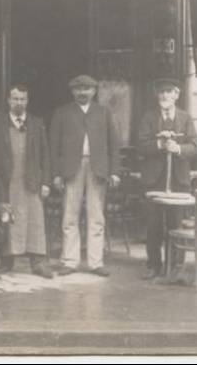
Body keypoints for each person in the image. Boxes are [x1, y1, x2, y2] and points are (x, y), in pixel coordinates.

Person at [50, 75, 121, 277]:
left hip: (98, 168)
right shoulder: (62, 113)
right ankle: (70, 261)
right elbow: (54, 146)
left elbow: (114, 145)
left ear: (94, 91)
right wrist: (56, 174)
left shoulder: (104, 112)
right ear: (72, 92)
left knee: (96, 215)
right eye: (78, 89)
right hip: (71, 168)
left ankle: (95, 262)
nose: (82, 93)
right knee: (69, 215)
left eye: (87, 89)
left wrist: (114, 171)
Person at [135, 78, 197, 281]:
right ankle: (153, 265)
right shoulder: (148, 117)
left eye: (169, 91)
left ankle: (176, 267)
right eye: (161, 92)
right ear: (157, 95)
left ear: (176, 95)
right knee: (153, 225)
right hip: (154, 181)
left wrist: (178, 148)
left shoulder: (186, 118)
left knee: (176, 225)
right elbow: (141, 146)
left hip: (179, 181)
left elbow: (195, 147)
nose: (164, 96)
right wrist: (160, 145)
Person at [0, 84, 54, 279]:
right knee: (7, 218)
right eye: (15, 98)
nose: (19, 102)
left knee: (35, 219)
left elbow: (45, 155)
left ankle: (38, 262)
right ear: (9, 100)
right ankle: (6, 261)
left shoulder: (37, 123)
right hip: (7, 181)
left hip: (32, 179)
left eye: (23, 99)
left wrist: (46, 182)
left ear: (27, 101)